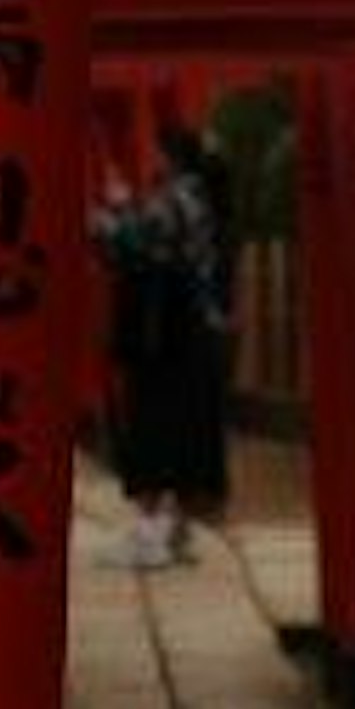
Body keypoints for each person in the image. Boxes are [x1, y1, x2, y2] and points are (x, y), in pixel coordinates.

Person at [94, 107, 233, 564]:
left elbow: (127, 241)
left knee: (155, 429)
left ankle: (153, 532)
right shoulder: (200, 197)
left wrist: (106, 212)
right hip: (193, 334)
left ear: (169, 157)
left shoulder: (176, 200)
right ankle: (177, 532)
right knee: (188, 434)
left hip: (169, 338)